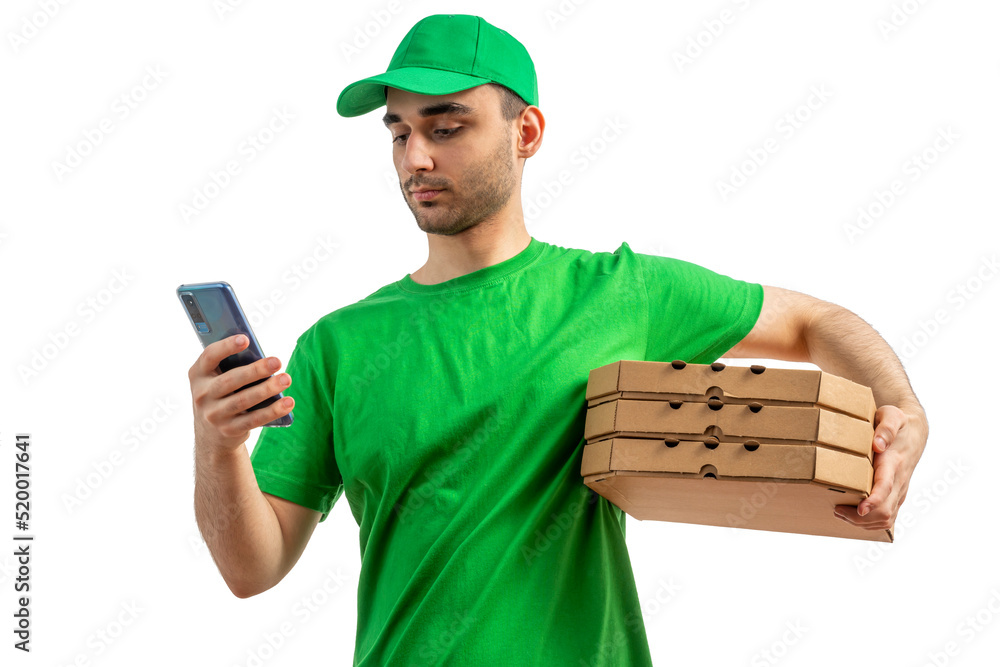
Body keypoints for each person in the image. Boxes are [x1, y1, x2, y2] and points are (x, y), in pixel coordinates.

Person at [189, 14, 929, 666]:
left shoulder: (621, 292)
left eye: (446, 128)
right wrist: (217, 444)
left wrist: (904, 413)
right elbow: (251, 566)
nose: (416, 158)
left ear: (527, 132)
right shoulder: (337, 346)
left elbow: (815, 321)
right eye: (400, 131)